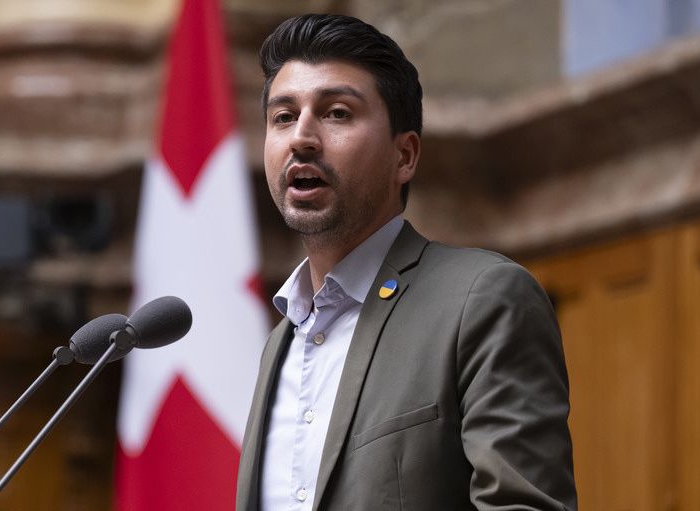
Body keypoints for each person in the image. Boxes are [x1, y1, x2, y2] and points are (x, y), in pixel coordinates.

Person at [236, 14, 576, 511]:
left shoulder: (482, 300)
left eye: (336, 113)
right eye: (283, 117)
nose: (301, 138)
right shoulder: (279, 342)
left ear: (405, 156)